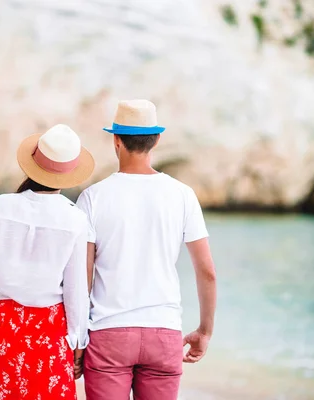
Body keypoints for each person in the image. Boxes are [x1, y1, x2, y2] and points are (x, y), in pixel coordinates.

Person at [76, 100, 217, 400]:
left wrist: (76, 337)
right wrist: (204, 331)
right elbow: (207, 272)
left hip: (108, 333)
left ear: (116, 140)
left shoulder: (92, 198)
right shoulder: (182, 195)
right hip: (163, 334)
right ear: (157, 140)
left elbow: (81, 277)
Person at [0, 124, 95, 400]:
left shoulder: (1, 206)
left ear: (31, 165)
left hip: (5, 323)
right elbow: (76, 289)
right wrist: (78, 340)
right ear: (69, 174)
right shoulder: (74, 218)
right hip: (49, 327)